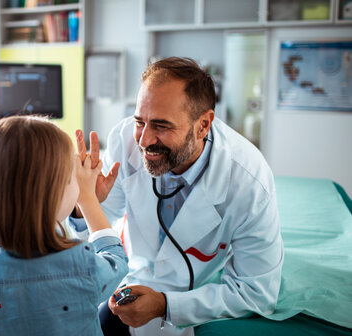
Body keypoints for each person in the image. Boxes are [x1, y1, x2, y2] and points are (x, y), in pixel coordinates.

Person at [69, 57, 284, 336]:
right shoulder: (126, 140)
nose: (144, 140)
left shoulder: (248, 182)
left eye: (161, 126)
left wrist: (165, 305)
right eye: (139, 121)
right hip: (129, 282)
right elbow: (101, 222)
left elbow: (257, 292)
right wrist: (83, 204)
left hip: (193, 293)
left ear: (203, 125)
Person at [0, 116, 128, 336]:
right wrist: (88, 200)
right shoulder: (80, 265)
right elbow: (117, 263)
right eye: (72, 178)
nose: (78, 185)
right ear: (52, 193)